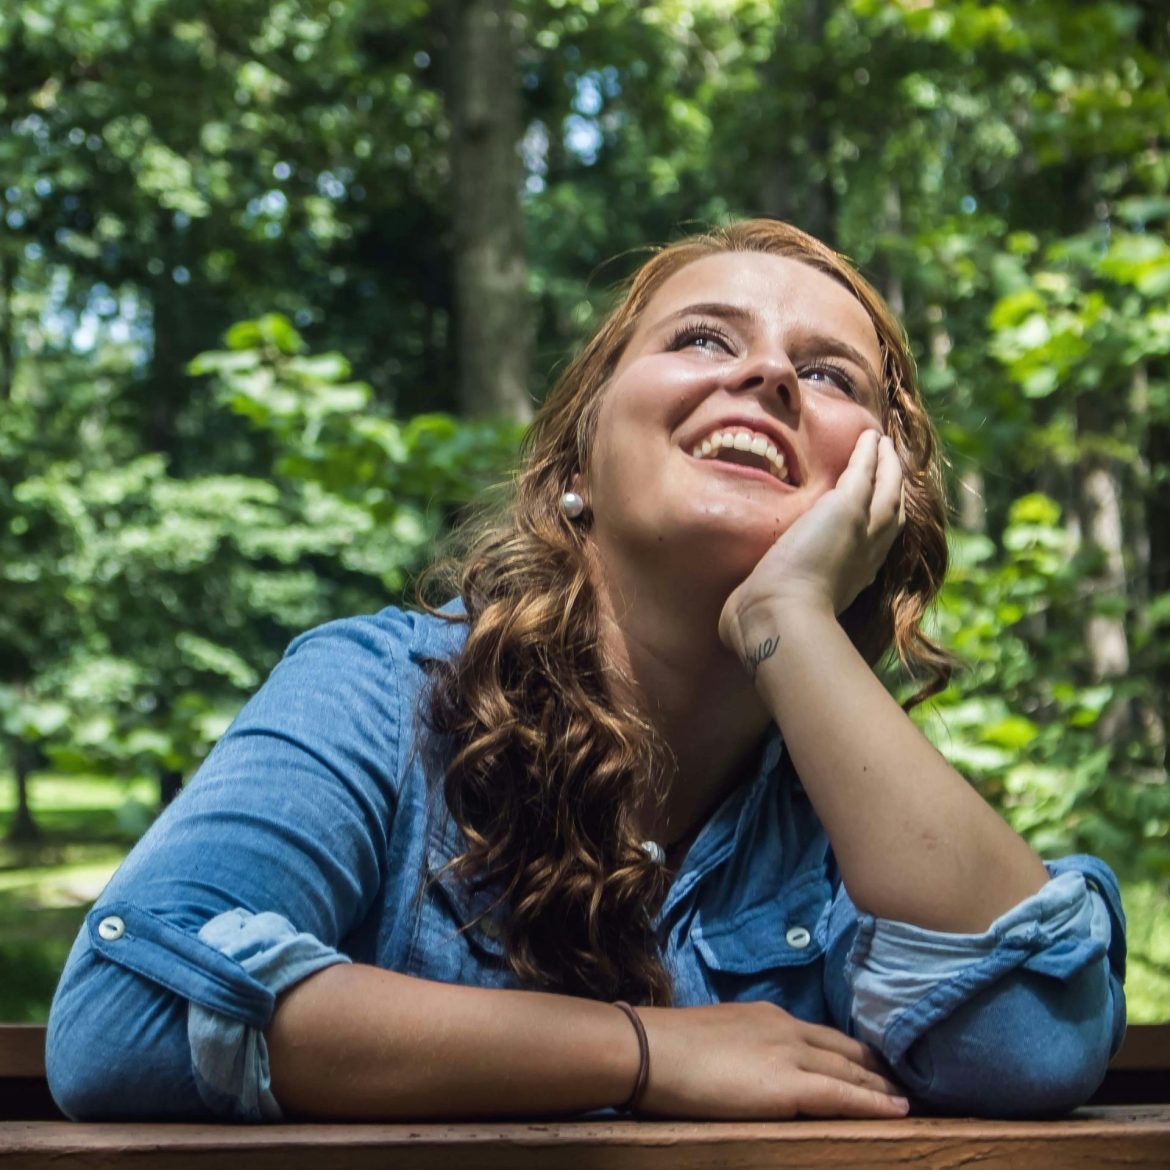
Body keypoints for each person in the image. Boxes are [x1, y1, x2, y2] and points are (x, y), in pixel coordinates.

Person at [46, 219, 1125, 1123]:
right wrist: (643, 1053)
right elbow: (124, 1015)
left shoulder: (859, 823)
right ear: (576, 461)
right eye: (703, 340)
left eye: (828, 373)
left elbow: (1026, 1047)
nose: (766, 376)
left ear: (880, 495)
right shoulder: (378, 692)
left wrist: (788, 618)